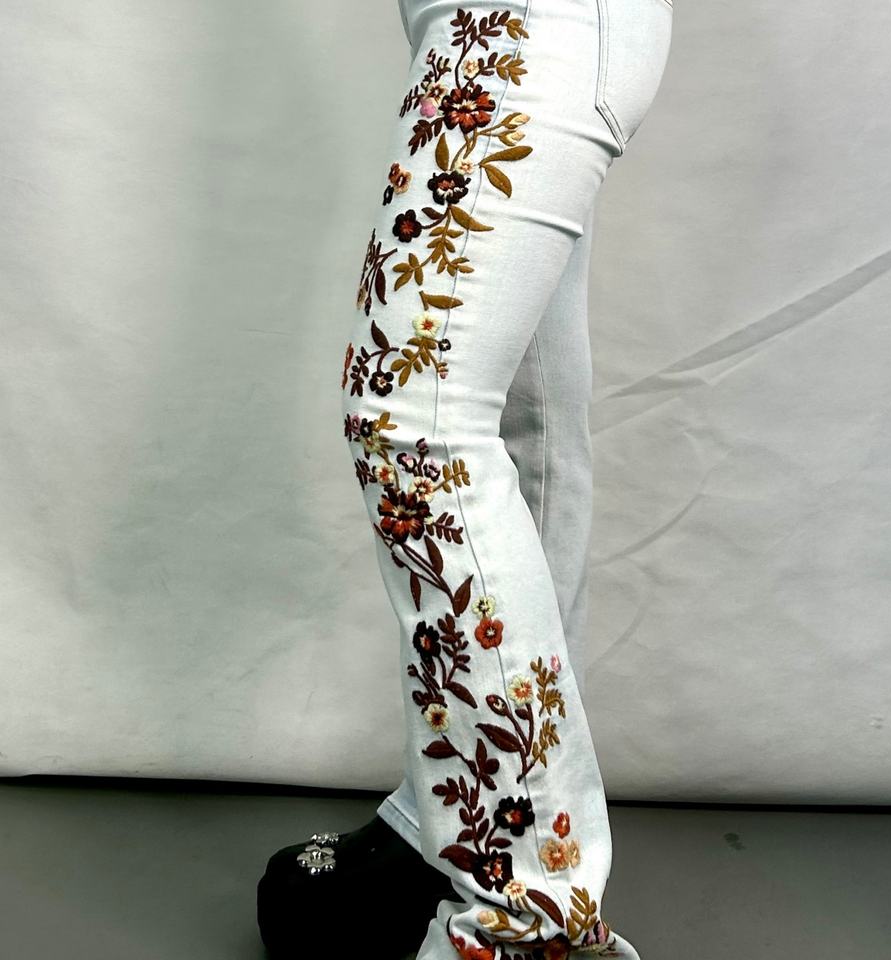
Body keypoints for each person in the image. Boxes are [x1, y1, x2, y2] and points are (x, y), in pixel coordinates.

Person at [258, 0, 674, 956]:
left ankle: (525, 920)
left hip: (522, 21)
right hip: (492, 24)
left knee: (412, 425)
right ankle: (458, 827)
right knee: (525, 430)